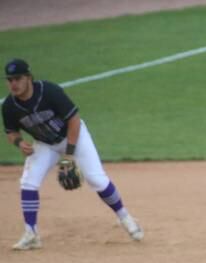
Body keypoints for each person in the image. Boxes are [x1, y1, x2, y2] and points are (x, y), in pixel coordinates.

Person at [3, 58, 143, 250]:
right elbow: (11, 131)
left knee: (97, 180)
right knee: (28, 182)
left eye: (17, 78)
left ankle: (125, 217)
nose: (13, 84)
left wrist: (68, 155)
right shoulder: (10, 105)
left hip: (74, 136)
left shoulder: (49, 91)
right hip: (45, 144)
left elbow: (74, 121)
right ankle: (31, 233)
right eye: (9, 80)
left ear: (28, 77)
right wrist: (19, 142)